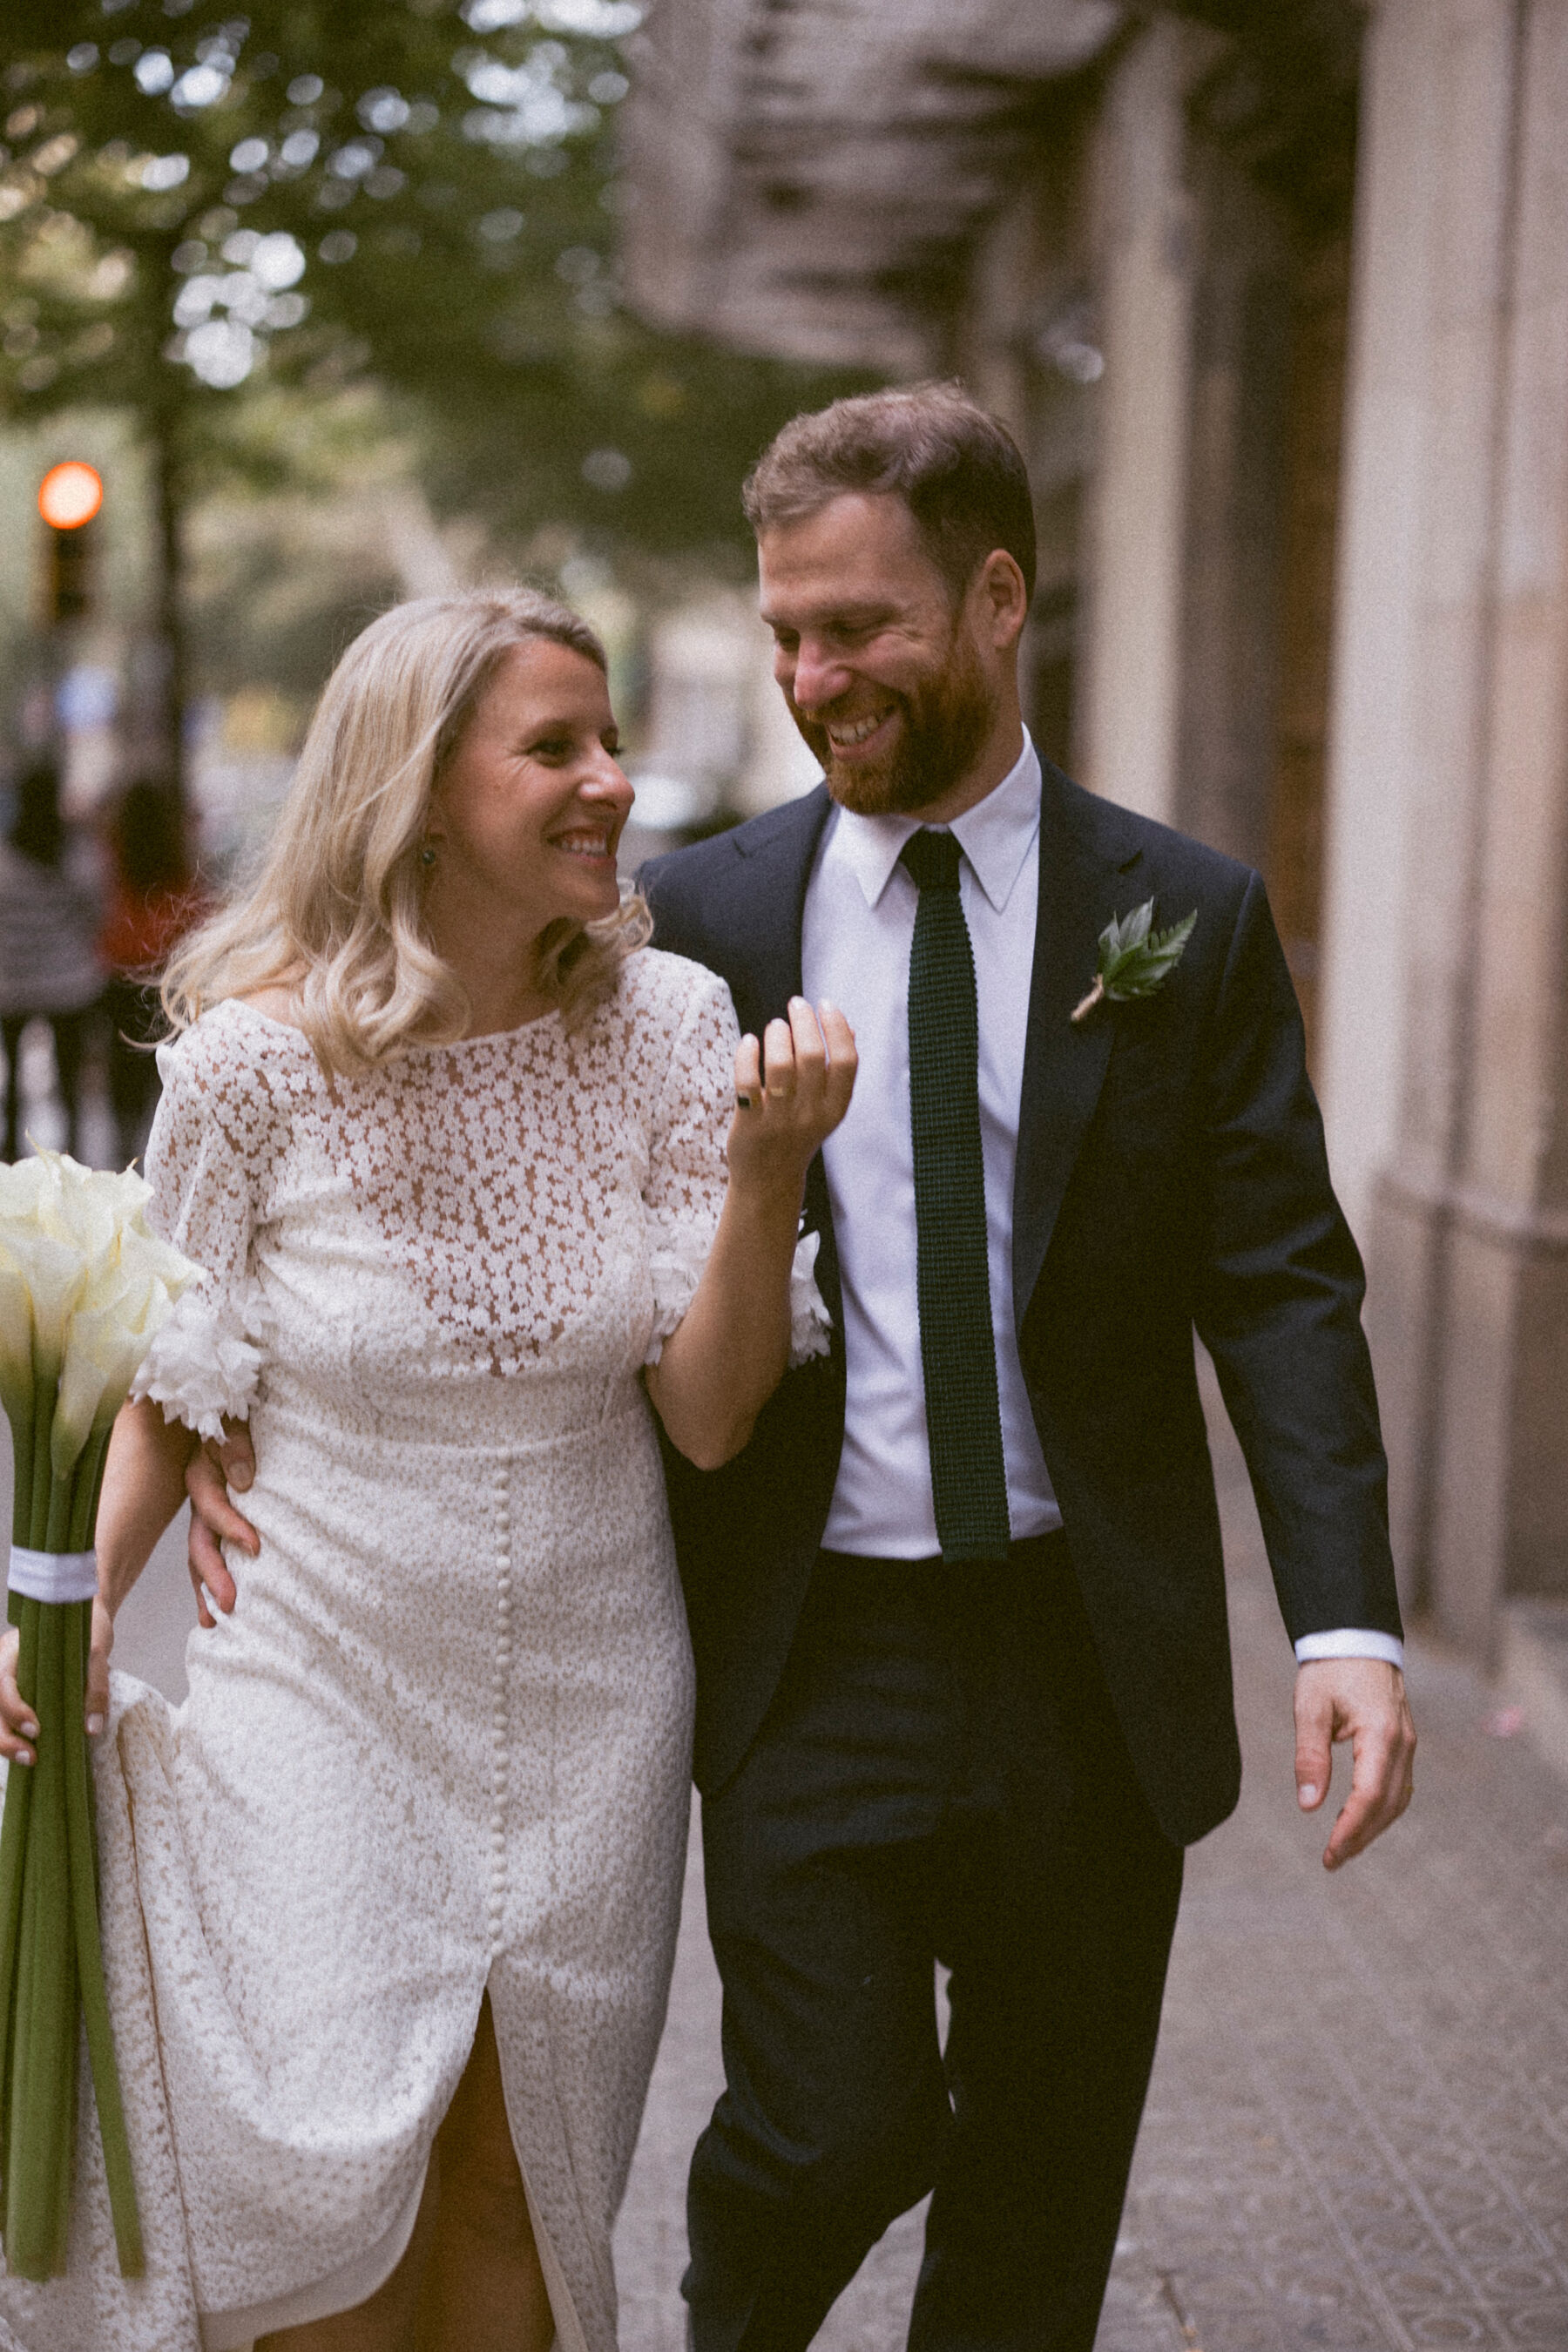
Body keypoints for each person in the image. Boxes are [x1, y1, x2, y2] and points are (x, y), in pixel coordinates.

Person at [189, 388, 1418, 2351]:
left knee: (1041, 2185)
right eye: (783, 633)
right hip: (806, 1640)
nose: (812, 674)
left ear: (999, 598)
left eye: (856, 626)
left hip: (1092, 1654)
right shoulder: (693, 922)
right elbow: (439, 1122)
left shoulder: (1179, 916)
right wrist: (245, 1398)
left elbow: (1279, 1280)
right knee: (825, 2125)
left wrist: (1345, 1622)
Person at [0, 589, 855, 2352]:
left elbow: (708, 1416)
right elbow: (173, 1384)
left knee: (513, 2176)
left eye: (608, 740)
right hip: (319, 1669)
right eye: (556, 746)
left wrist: (769, 1179)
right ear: (417, 784)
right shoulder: (251, 1064)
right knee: (330, 2175)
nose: (609, 783)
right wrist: (59, 1612)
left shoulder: (675, 1026)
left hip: (594, 1690)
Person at [98, 773, 208, 1168]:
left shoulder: (114, 847)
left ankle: (123, 1152)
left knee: (122, 1066)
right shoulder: (176, 851)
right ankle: (161, 1147)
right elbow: (197, 908)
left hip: (120, 973)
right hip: (166, 973)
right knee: (161, 1067)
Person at [0, 755, 105, 1163]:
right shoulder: (75, 854)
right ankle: (70, 1157)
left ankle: (10, 1153)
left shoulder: (6, 858)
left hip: (13, 984)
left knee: (12, 1079)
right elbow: (95, 909)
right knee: (68, 1080)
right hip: (69, 983)